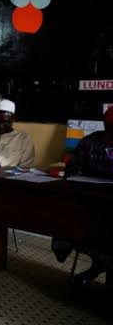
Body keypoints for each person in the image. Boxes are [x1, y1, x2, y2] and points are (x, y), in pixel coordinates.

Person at [51, 106, 113, 288]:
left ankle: (102, 266)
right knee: (69, 217)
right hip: (88, 202)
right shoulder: (90, 142)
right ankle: (99, 264)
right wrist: (74, 171)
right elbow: (70, 171)